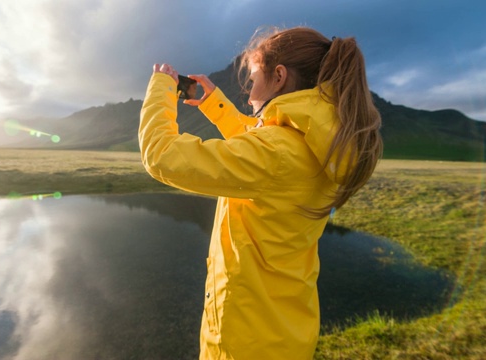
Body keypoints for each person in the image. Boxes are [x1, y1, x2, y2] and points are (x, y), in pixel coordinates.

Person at [139, 26, 382, 360]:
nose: (250, 93)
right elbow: (260, 147)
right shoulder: (320, 141)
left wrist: (161, 87)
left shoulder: (276, 152)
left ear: (279, 76)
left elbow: (161, 154)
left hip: (245, 340)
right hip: (285, 329)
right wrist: (214, 104)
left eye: (253, 79)